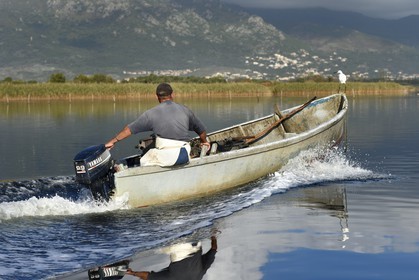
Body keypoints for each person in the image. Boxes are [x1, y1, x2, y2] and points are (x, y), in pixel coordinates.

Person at [105, 83, 210, 166]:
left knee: (144, 160)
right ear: (172, 95)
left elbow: (128, 130)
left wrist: (112, 142)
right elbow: (201, 130)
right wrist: (204, 142)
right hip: (184, 154)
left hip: (167, 156)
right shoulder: (185, 110)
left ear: (157, 97)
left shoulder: (150, 114)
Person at [126, 236, 218, 280]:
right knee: (159, 248)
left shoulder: (199, 275)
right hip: (178, 247)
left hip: (196, 243)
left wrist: (213, 236)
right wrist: (132, 273)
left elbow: (214, 249)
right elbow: (147, 276)